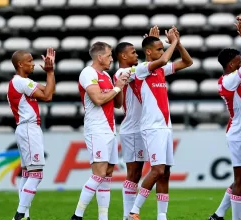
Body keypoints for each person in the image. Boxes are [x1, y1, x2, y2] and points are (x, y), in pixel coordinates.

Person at [128, 26, 193, 220]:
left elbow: (188, 62)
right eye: (158, 49)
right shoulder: (141, 70)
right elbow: (164, 59)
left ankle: (162, 216)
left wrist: (178, 43)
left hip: (165, 126)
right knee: (156, 170)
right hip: (152, 127)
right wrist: (172, 41)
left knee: (165, 173)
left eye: (162, 49)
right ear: (148, 52)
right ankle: (134, 211)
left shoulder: (161, 70)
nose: (162, 52)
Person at [70, 42, 129, 220]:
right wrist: (116, 87)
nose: (112, 58)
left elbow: (117, 104)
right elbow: (97, 99)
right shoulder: (88, 73)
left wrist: (121, 85)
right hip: (96, 128)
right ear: (100, 57)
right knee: (99, 173)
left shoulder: (106, 76)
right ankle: (77, 215)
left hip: (109, 129)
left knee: (108, 173)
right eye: (110, 55)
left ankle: (103, 217)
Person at [114, 26, 160, 220]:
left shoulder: (136, 70)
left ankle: (129, 215)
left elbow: (152, 67)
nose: (136, 55)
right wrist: (152, 52)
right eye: (133, 52)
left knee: (138, 172)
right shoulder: (122, 73)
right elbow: (151, 66)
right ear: (123, 56)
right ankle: (127, 215)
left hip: (141, 128)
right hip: (132, 128)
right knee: (133, 173)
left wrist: (153, 46)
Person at [209, 16, 241, 220]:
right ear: (230, 65)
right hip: (239, 134)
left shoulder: (237, 76)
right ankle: (236, 217)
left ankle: (219, 215)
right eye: (237, 61)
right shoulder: (227, 81)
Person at [8, 48, 56, 220]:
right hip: (29, 128)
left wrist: (50, 74)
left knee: (28, 173)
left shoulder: (20, 83)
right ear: (20, 64)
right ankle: (19, 215)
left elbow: (49, 91)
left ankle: (25, 215)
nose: (33, 63)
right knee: (36, 174)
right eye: (29, 61)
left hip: (24, 128)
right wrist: (50, 72)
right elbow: (48, 96)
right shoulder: (22, 82)